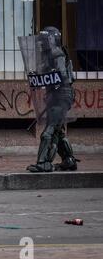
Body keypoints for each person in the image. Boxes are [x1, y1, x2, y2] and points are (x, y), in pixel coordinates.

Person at [27, 27, 79, 173]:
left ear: (51, 39)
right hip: (58, 96)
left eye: (44, 40)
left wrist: (46, 77)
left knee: (48, 132)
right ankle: (69, 160)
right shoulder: (49, 55)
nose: (41, 43)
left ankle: (43, 162)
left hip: (61, 96)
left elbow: (62, 76)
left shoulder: (57, 54)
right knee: (59, 131)